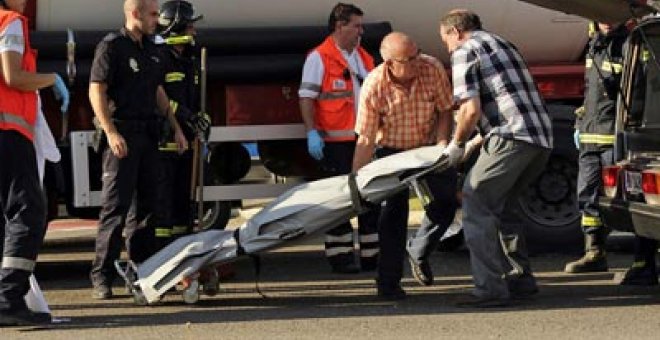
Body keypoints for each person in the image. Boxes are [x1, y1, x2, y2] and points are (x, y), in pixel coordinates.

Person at [439, 9, 553, 307]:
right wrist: (475, 143)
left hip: (511, 136)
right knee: (504, 208)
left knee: (475, 201)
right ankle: (520, 279)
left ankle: (489, 288)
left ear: (455, 32)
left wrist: (456, 144)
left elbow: (470, 110)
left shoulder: (464, 50)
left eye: (445, 41)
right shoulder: (503, 43)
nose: (447, 48)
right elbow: (505, 101)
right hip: (540, 138)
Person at [88, 0, 188, 300]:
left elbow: (158, 91)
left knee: (147, 210)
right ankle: (101, 276)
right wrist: (111, 132)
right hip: (123, 134)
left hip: (149, 135)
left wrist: (176, 127)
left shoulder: (151, 48)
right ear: (135, 14)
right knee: (115, 208)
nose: (157, 20)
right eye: (153, 14)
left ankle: (141, 272)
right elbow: (96, 89)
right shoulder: (112, 47)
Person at [352, 32, 459, 300]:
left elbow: (446, 109)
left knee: (445, 205)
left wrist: (443, 143)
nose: (416, 62)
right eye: (408, 59)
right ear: (389, 62)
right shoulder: (374, 85)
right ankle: (388, 284)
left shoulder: (431, 67)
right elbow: (365, 138)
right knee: (392, 217)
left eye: (417, 54)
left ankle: (419, 250)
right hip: (391, 153)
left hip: (428, 147)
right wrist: (355, 179)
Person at [564, 21, 659, 284]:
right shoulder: (595, 44)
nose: (604, 21)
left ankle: (644, 263)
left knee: (631, 201)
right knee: (587, 196)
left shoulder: (631, 42)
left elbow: (639, 89)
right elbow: (591, 93)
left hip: (615, 137)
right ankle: (594, 252)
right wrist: (580, 122)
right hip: (590, 135)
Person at [0, 0, 69, 326]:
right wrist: (50, 78)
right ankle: (8, 298)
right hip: (8, 132)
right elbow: (13, 76)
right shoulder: (10, 21)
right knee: (28, 211)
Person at [299, 2, 378, 273]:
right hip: (334, 143)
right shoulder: (319, 58)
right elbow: (306, 98)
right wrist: (312, 132)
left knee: (369, 198)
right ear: (339, 26)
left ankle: (372, 257)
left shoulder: (363, 56)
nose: (361, 31)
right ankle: (341, 258)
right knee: (339, 202)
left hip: (363, 140)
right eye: (356, 25)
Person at [153, 0, 210, 249]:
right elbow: (158, 98)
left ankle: (183, 252)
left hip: (186, 143)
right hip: (164, 143)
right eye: (189, 27)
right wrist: (186, 114)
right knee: (163, 206)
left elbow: (193, 97)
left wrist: (201, 117)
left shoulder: (190, 60)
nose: (194, 32)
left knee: (183, 205)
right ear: (175, 28)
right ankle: (162, 255)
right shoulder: (159, 58)